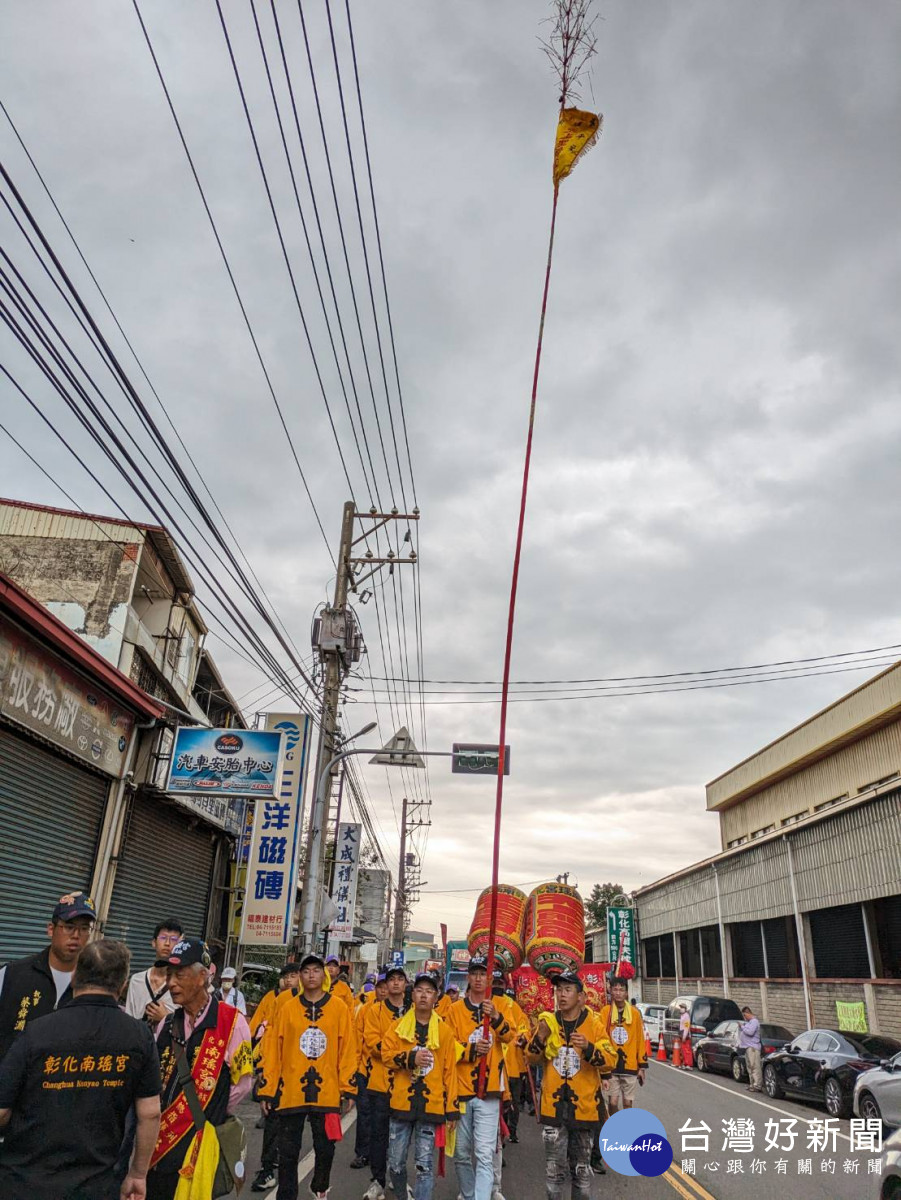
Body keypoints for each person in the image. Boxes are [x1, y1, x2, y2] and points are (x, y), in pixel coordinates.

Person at [0, 938, 162, 1200]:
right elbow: (150, 1113)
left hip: (23, 1181)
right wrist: (137, 1174)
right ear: (122, 986)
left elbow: (2, 1110)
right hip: (96, 1184)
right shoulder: (139, 1037)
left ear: (75, 977)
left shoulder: (37, 1031)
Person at [146, 937, 253, 1200]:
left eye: (179, 975)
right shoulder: (166, 1024)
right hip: (160, 1147)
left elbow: (242, 1084)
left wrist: (210, 1111)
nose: (171, 983)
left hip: (201, 1146)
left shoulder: (233, 1024)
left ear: (203, 976)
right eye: (169, 975)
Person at [257, 953, 357, 1200]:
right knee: (288, 1151)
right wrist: (268, 1088)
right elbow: (272, 1049)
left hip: (328, 1090)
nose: (311, 975)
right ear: (300, 976)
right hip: (290, 1090)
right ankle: (287, 1195)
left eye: (316, 970)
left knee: (325, 1148)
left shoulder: (339, 1008)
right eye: (306, 971)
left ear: (324, 975)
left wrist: (348, 1088)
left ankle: (319, 1185)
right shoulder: (287, 1007)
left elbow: (348, 1050)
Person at [527, 970, 617, 1200]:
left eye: (568, 990)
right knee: (554, 1173)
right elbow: (530, 1059)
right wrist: (540, 1038)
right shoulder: (548, 1022)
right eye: (558, 990)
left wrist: (588, 1047)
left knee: (581, 1173)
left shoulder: (594, 1024)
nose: (561, 995)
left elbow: (610, 1061)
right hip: (553, 1110)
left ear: (581, 997)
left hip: (584, 1111)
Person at [381, 972, 459, 1200]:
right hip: (400, 1103)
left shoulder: (444, 1031)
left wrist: (452, 1109)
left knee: (424, 1166)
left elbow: (450, 1072)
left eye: (429, 991)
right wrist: (408, 1059)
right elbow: (386, 1055)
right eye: (419, 990)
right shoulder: (398, 1027)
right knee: (395, 1164)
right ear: (412, 995)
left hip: (432, 1105)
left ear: (436, 997)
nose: (424, 995)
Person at [443, 955, 515, 1200]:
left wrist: (495, 1017)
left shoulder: (501, 1005)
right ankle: (469, 1192)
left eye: (483, 973)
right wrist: (471, 1051)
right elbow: (446, 1046)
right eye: (474, 973)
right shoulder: (453, 1011)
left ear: (490, 977)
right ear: (468, 977)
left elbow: (510, 1036)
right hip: (461, 1090)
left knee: (484, 1153)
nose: (477, 978)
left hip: (490, 1090)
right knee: (462, 1153)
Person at [0, 891, 96, 1062]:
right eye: (69, 926)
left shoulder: (93, 985)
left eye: (84, 928)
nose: (76, 935)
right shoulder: (11, 975)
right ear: (51, 930)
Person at [249, 962, 301, 1193]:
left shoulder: (319, 1004)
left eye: (294, 976)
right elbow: (266, 1035)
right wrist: (261, 1068)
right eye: (286, 976)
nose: (289, 980)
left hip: (304, 1078)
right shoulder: (276, 999)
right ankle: (268, 1168)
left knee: (293, 1130)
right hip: (277, 1073)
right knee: (272, 1122)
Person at [361, 964, 412, 1199]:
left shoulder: (414, 1011)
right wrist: (403, 1056)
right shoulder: (375, 1011)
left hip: (407, 1084)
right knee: (379, 1134)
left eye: (400, 979)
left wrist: (400, 1054)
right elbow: (373, 1044)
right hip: (380, 1082)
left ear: (405, 984)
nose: (395, 983)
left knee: (403, 1135)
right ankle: (378, 1180)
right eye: (391, 979)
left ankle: (399, 1176)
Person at [350, 972, 388, 1172]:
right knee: (364, 1113)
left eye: (386, 986)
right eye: (380, 986)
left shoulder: (400, 1011)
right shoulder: (365, 1010)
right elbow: (357, 1041)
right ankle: (362, 1152)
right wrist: (354, 1069)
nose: (383, 990)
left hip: (390, 1073)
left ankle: (381, 1154)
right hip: (366, 1069)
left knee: (384, 1116)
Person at [598, 975, 647, 1112]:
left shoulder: (634, 1013)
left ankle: (626, 1129)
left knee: (627, 1103)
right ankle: (614, 1128)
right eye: (615, 989)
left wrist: (641, 1067)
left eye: (621, 990)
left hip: (630, 1065)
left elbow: (640, 1039)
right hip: (611, 1066)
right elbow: (601, 1039)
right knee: (612, 1102)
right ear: (610, 991)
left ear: (626, 993)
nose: (618, 993)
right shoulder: (605, 1012)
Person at [123, 919, 183, 1025]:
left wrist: (166, 1018)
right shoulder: (137, 980)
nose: (167, 943)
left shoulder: (182, 984)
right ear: (154, 943)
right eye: (163, 938)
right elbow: (128, 1018)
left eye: (173, 939)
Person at [739, 1005, 763, 1092]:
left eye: (744, 1015)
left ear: (748, 1013)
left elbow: (750, 1032)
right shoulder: (749, 1023)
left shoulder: (754, 1022)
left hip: (753, 1048)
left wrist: (742, 1027)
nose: (744, 1017)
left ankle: (757, 1085)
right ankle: (752, 1084)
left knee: (755, 1066)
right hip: (748, 1047)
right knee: (750, 1067)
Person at [678, 1003, 691, 1069]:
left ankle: (688, 1064)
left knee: (686, 1050)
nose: (681, 1009)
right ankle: (683, 1063)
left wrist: (684, 1036)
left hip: (684, 1035)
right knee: (682, 1050)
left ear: (685, 1009)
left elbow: (686, 1026)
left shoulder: (686, 1016)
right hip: (681, 1033)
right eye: (680, 1007)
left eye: (682, 1007)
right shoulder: (682, 1016)